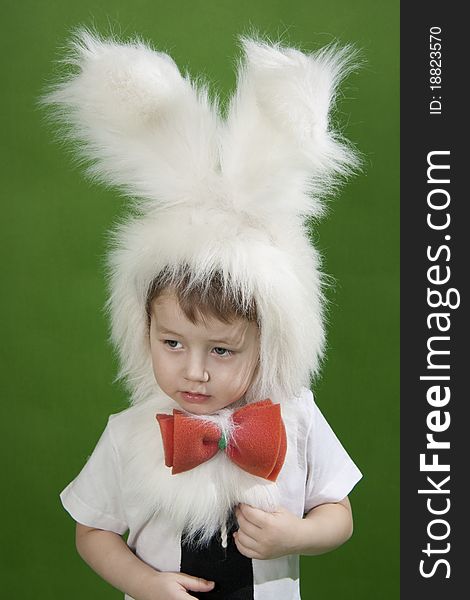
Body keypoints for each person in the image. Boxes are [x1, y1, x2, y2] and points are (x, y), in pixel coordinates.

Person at [44, 29, 362, 600]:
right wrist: (145, 583)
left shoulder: (298, 420)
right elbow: (92, 530)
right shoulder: (127, 436)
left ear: (272, 344)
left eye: (221, 350)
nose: (194, 371)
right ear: (143, 332)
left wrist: (301, 533)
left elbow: (339, 514)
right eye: (172, 344)